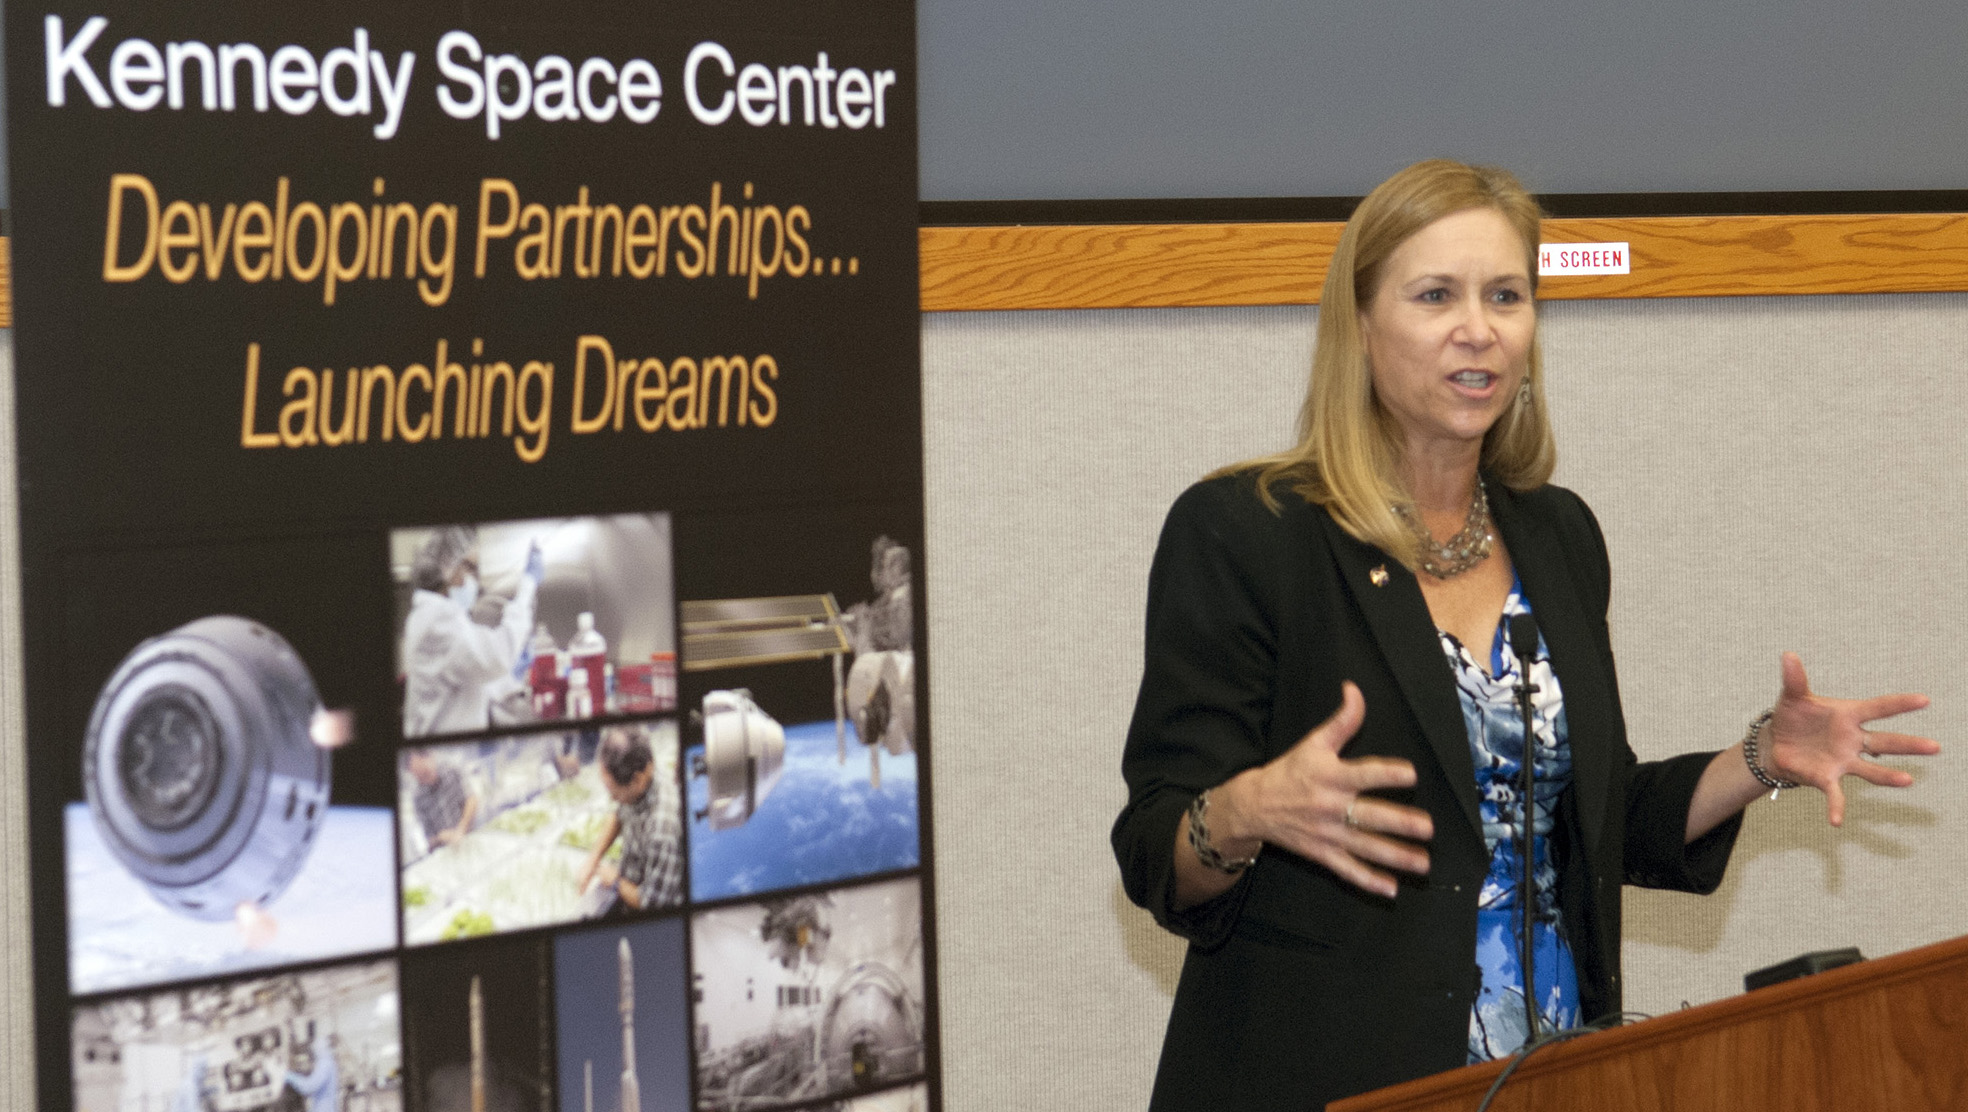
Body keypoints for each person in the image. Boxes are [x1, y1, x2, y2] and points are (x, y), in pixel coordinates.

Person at [1110, 159, 1941, 1111]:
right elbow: (1152, 854)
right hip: (1327, 1076)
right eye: (1436, 295)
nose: (1479, 327)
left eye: (1505, 295)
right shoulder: (1247, 533)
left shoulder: (1557, 535)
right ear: (1363, 324)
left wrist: (1761, 758)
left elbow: (1591, 819)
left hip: (1546, 1072)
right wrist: (1245, 812)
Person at [401, 525, 544, 737]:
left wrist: (510, 678)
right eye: (470, 568)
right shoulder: (438, 620)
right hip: (437, 761)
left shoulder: (436, 617)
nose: (474, 581)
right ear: (446, 568)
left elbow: (467, 682)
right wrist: (528, 586)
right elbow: (498, 656)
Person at [577, 725, 684, 913]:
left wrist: (615, 880)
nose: (612, 798)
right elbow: (619, 813)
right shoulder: (644, 775)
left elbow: (651, 903)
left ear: (637, 780)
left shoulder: (663, 829)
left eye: (614, 792)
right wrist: (593, 859)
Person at [406, 749, 479, 849]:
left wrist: (461, 829)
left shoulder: (452, 770)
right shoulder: (417, 797)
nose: (425, 780)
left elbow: (472, 800)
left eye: (425, 773)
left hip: (470, 837)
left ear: (430, 757)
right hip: (446, 851)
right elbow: (429, 839)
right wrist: (440, 838)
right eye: (420, 778)